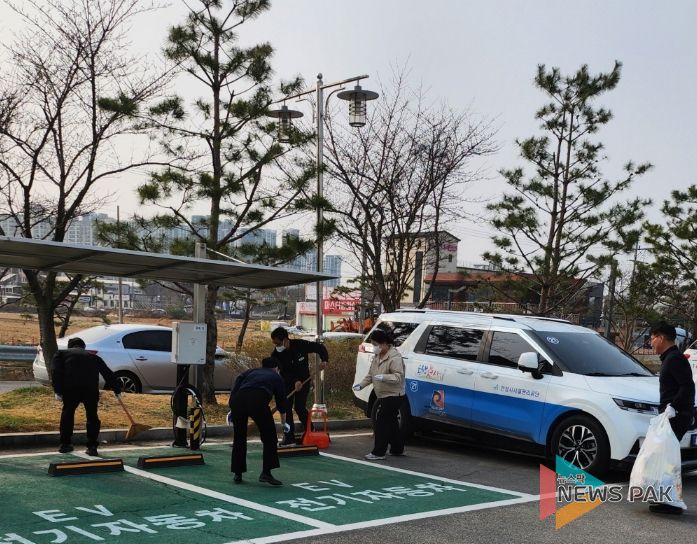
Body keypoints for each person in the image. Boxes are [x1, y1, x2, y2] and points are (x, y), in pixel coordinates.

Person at [648, 321, 696, 515]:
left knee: (668, 459)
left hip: (676, 416)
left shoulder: (675, 359)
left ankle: (672, 503)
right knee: (665, 458)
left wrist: (673, 406)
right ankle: (666, 498)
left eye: (652, 338)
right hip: (672, 415)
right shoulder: (670, 358)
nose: (651, 342)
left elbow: (688, 387)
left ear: (661, 338)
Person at [51, 337, 122, 456]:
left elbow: (56, 372)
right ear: (84, 347)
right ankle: (92, 446)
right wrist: (117, 390)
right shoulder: (93, 357)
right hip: (90, 389)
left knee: (68, 414)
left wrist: (58, 390)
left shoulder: (61, 354)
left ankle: (65, 444)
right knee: (92, 416)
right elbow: (107, 373)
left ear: (70, 347)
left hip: (71, 389)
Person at [228, 357, 289, 486]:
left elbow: (237, 383)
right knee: (270, 437)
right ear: (276, 368)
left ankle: (238, 473)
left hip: (238, 400)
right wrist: (284, 422)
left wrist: (232, 407)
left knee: (239, 437)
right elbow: (281, 401)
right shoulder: (276, 377)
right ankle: (266, 473)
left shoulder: (250, 371)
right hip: (257, 400)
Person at [270, 327, 329, 445]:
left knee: (299, 407)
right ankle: (288, 436)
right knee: (286, 409)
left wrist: (324, 360)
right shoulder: (276, 354)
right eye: (274, 343)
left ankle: (310, 429)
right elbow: (283, 372)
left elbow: (319, 348)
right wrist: (295, 381)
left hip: (304, 381)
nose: (276, 346)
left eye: (278, 343)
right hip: (287, 383)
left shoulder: (300, 345)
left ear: (285, 340)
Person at [353, 329, 406, 460]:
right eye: (372, 344)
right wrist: (361, 385)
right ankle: (397, 449)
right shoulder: (377, 356)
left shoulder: (394, 357)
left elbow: (398, 377)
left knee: (381, 422)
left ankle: (379, 452)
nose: (374, 347)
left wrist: (384, 377)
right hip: (382, 395)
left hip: (394, 395)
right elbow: (371, 375)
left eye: (375, 344)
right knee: (391, 422)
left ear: (384, 343)